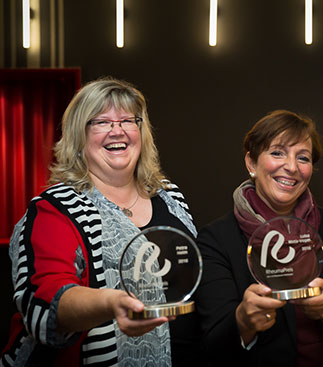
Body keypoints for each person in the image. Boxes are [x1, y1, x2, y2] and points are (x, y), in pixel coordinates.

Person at [1, 78, 203, 366]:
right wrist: (110, 302)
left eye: (127, 120)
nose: (117, 130)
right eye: (101, 122)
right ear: (78, 136)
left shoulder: (170, 196)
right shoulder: (55, 209)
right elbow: (45, 303)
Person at [195, 110, 323, 366]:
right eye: (277, 152)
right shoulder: (216, 239)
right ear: (251, 163)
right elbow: (212, 339)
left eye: (303, 157)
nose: (291, 167)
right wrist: (243, 322)